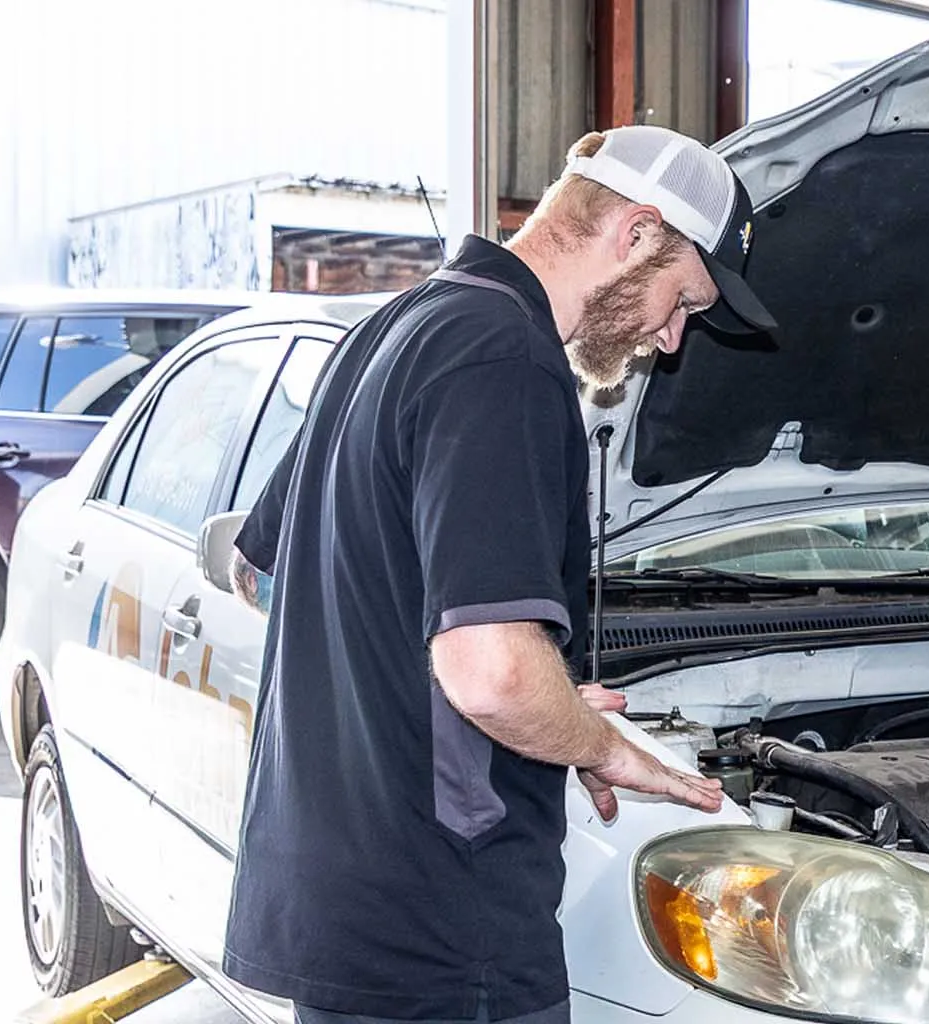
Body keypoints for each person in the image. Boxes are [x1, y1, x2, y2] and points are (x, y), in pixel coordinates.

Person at [223, 125, 778, 1023]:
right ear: (635, 234)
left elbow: (268, 574)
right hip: (446, 925)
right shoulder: (504, 358)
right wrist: (597, 745)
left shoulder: (393, 327)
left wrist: (533, 714)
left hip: (350, 907)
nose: (672, 340)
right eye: (682, 300)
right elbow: (489, 673)